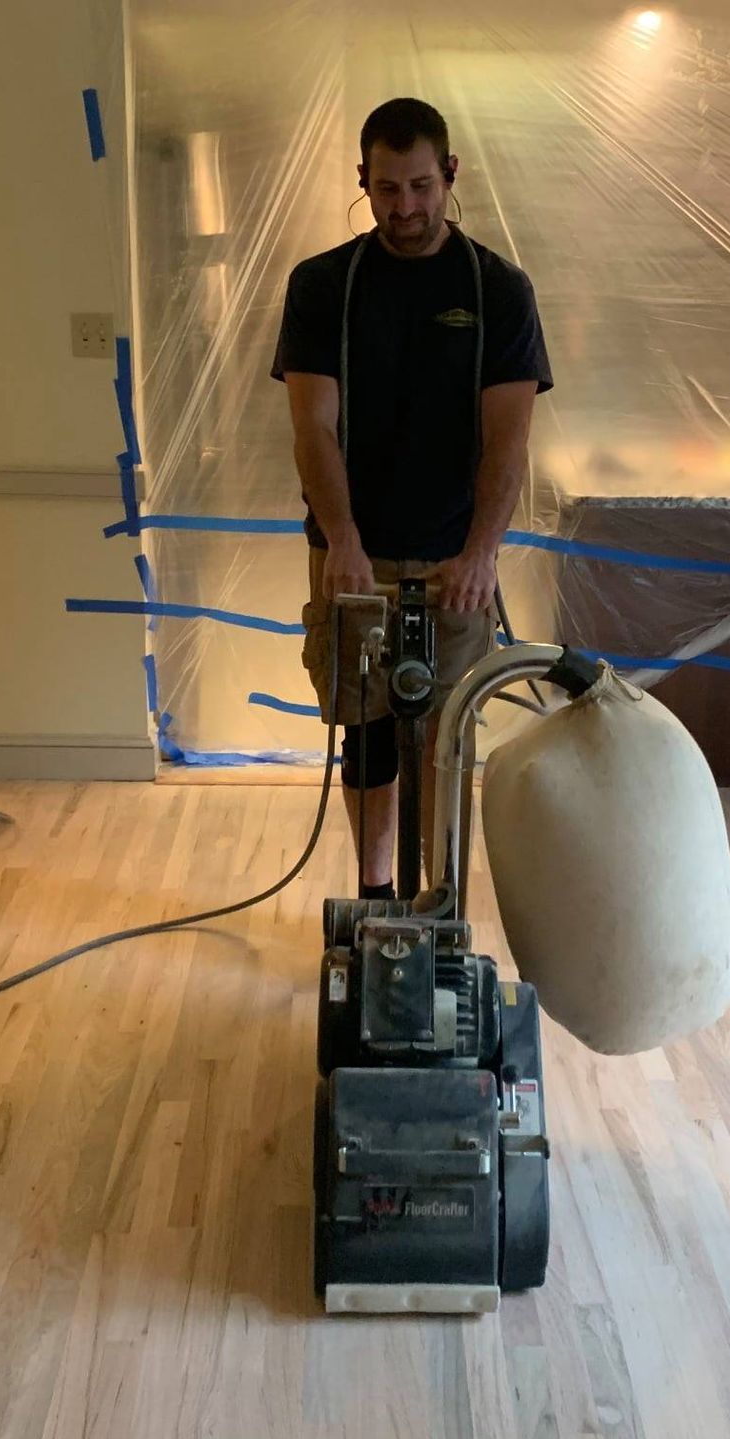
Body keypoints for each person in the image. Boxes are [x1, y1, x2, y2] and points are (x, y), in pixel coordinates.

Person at [272, 96, 552, 900]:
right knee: (366, 734)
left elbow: (509, 439)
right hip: (353, 554)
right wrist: (343, 539)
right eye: (388, 190)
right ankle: (374, 893)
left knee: (439, 737)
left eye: (422, 187)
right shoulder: (323, 286)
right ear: (363, 180)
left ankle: (437, 896)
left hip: (453, 559)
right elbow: (312, 427)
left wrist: (481, 553)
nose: (405, 208)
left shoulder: (498, 289)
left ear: (450, 175)